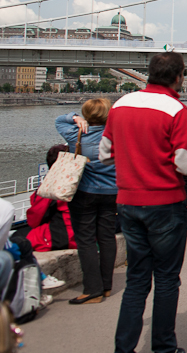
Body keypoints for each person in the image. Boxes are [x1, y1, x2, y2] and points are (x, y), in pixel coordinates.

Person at [99, 51, 187, 353]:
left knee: (136, 279)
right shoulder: (176, 109)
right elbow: (185, 164)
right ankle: (164, 347)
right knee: (166, 279)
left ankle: (124, 348)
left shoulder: (121, 105)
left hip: (128, 202)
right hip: (165, 203)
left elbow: (104, 152)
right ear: (179, 76)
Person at [56, 99, 117, 304]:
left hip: (85, 191)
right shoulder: (116, 136)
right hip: (112, 192)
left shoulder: (76, 134)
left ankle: (92, 289)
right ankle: (107, 286)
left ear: (86, 115)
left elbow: (58, 121)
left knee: (86, 240)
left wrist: (74, 117)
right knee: (107, 237)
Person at [25, 144, 76, 254]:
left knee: (18, 240)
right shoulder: (84, 181)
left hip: (63, 236)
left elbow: (34, 220)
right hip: (88, 233)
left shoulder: (49, 188)